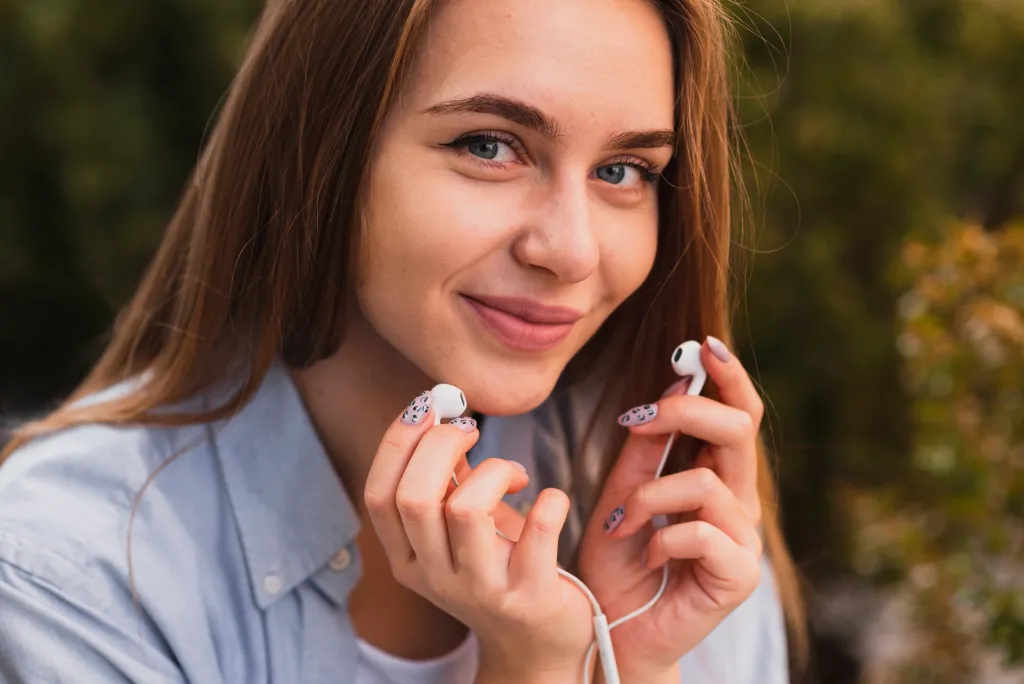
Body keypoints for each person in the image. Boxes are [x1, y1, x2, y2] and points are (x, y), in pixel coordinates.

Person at [0, 0, 808, 682]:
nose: (571, 251)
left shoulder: (681, 535)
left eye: (624, 169)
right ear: (320, 152)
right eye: (489, 145)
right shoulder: (68, 572)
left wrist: (621, 664)